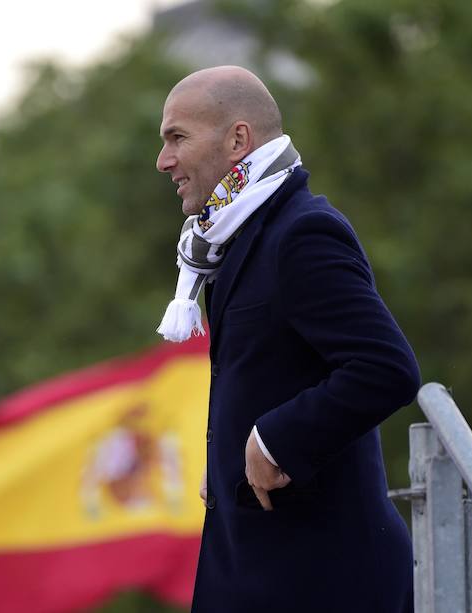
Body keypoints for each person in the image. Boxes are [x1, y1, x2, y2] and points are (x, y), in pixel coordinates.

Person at [155, 66, 420, 612]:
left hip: (320, 579)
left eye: (177, 137)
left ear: (238, 140)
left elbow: (385, 367)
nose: (164, 161)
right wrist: (230, 454)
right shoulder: (239, 237)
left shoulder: (300, 233)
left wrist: (273, 441)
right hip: (266, 573)